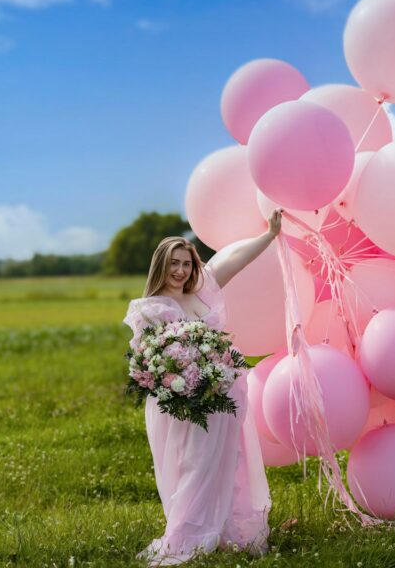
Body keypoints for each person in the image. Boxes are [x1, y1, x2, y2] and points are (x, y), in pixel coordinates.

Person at [123, 209, 283, 566]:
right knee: (193, 464)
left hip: (220, 397)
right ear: (160, 267)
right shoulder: (149, 309)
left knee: (227, 462)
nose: (180, 271)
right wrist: (178, 383)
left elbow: (235, 263)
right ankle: (186, 532)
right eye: (173, 263)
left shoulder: (201, 292)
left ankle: (225, 528)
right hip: (183, 403)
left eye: (185, 263)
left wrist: (269, 235)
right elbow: (147, 361)